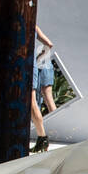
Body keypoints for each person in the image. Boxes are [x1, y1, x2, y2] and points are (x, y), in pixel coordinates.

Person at [31, 24, 57, 152]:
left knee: (33, 103)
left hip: (29, 63)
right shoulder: (34, 26)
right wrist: (38, 58)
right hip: (36, 63)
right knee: (43, 100)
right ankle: (47, 136)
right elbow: (49, 44)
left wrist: (37, 59)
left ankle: (42, 137)